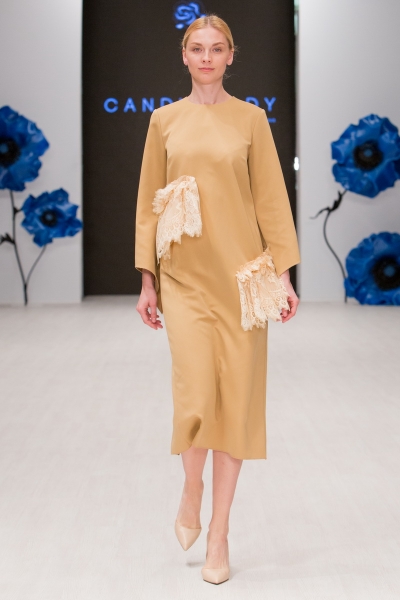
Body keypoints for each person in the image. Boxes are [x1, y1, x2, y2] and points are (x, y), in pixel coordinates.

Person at [135, 14, 300, 585]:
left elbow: (271, 198)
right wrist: (148, 280)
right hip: (184, 280)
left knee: (236, 404)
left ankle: (220, 533)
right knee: (196, 395)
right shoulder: (163, 121)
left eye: (217, 48)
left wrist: (284, 275)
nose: (207, 57)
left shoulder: (251, 120)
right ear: (184, 56)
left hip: (242, 281)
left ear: (231, 56)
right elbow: (149, 204)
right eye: (197, 48)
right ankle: (192, 487)